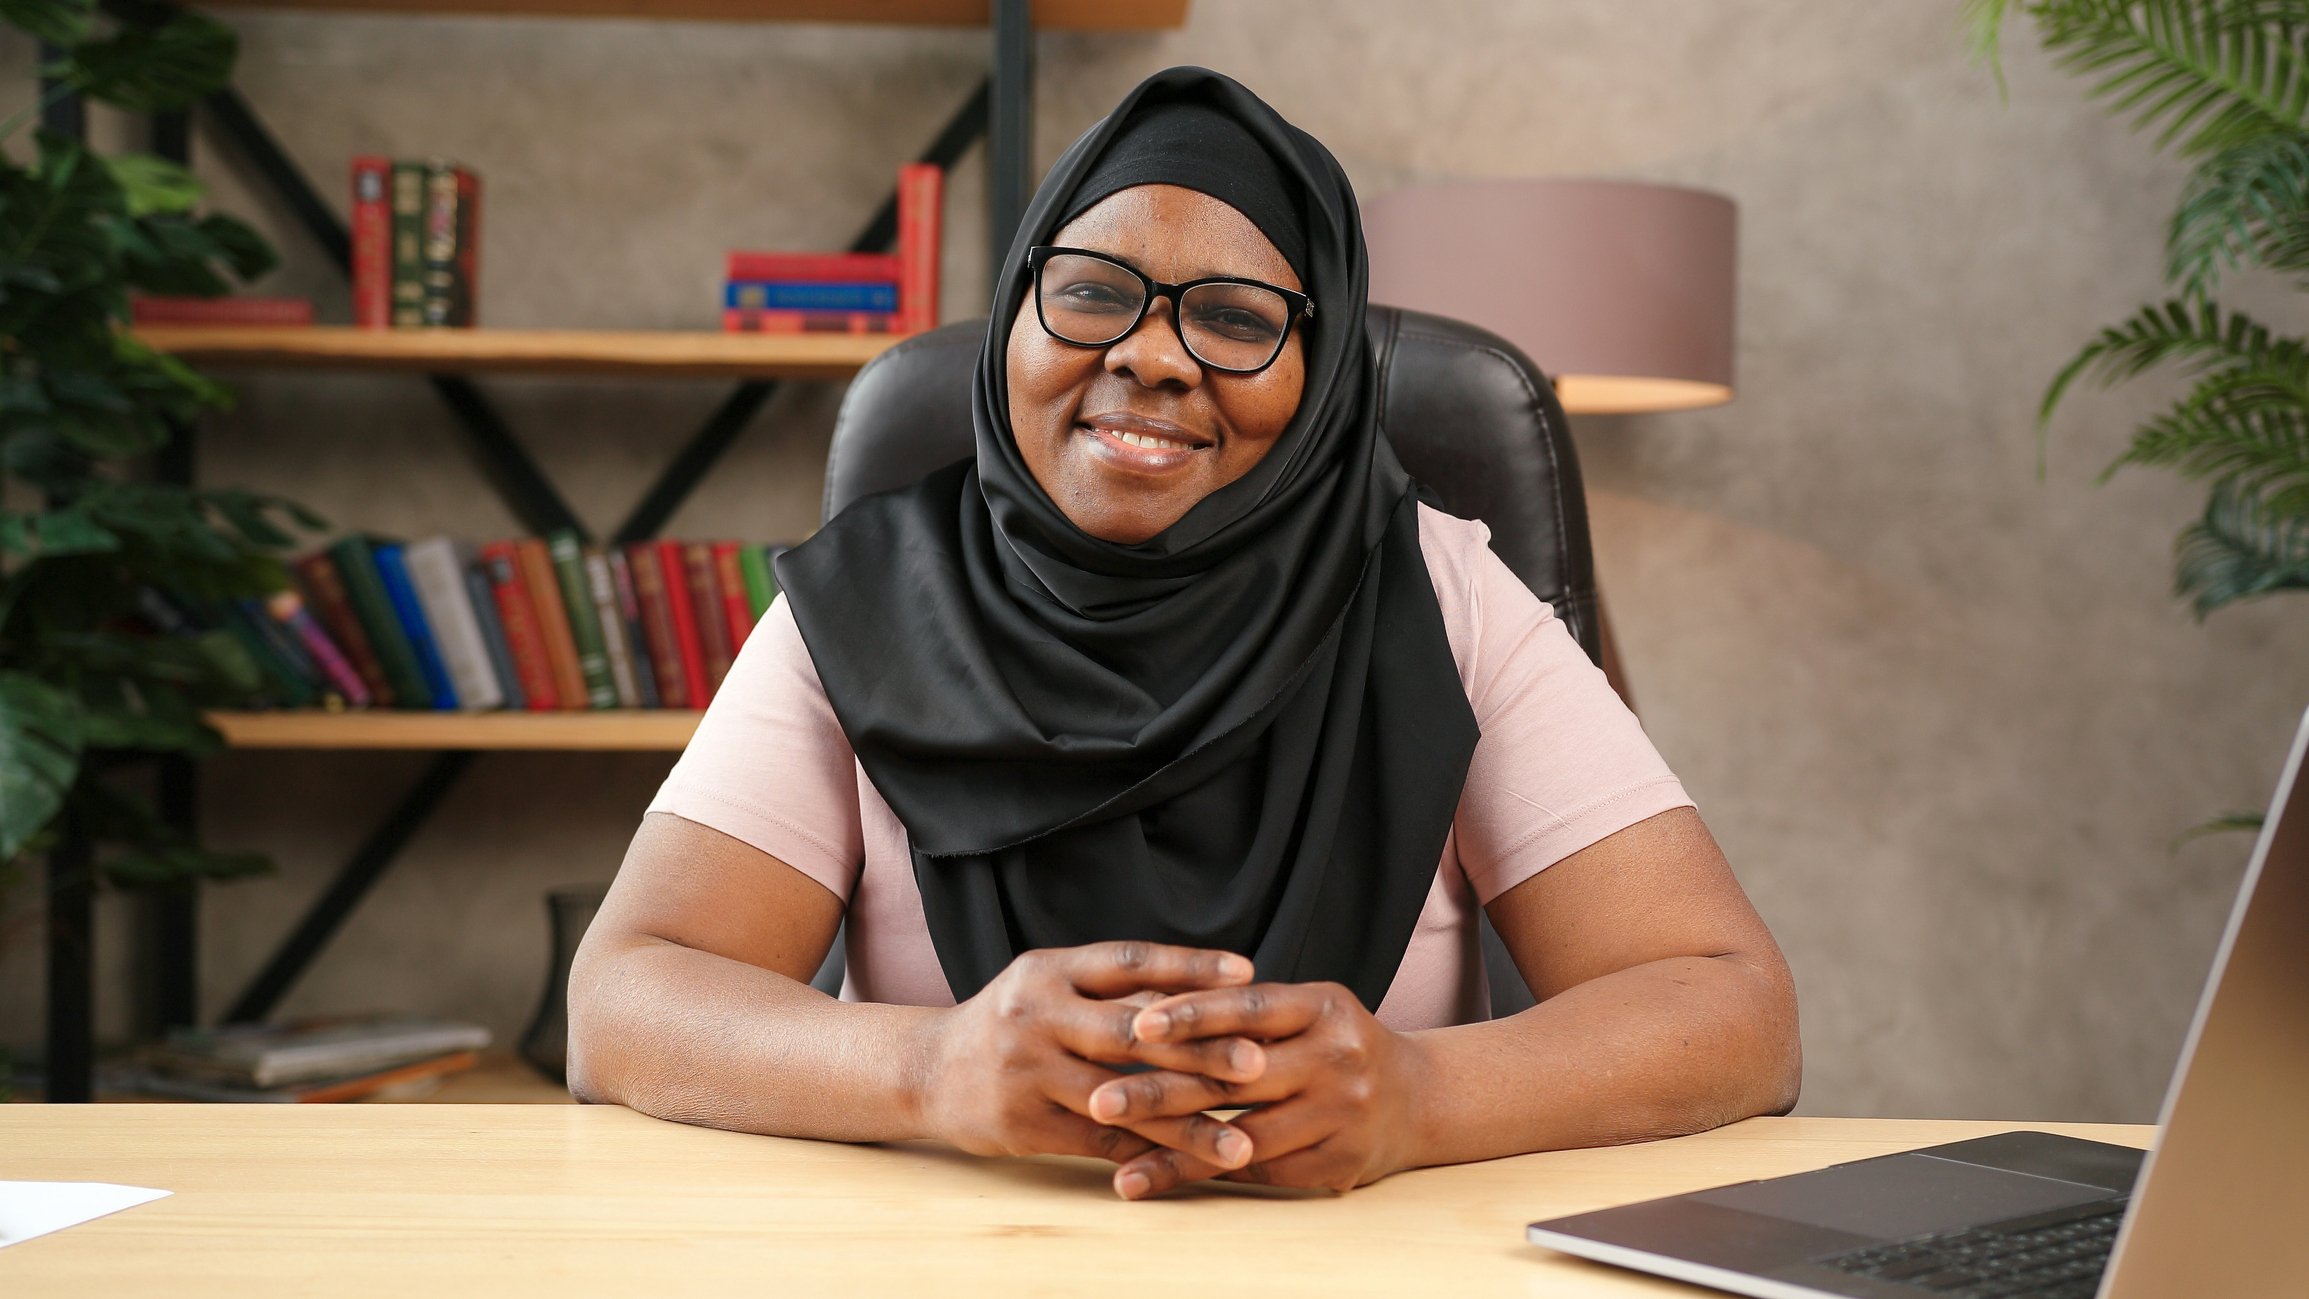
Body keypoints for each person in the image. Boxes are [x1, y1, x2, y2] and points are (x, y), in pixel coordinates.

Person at [568, 66, 1798, 1200]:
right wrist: (927, 1068)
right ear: (1012, 318)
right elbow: (622, 1000)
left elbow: (1736, 1012)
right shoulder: (864, 602)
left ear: (1320, 368)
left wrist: (1423, 1095)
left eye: (1234, 318)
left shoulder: (1442, 593)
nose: (1151, 356)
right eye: (1091, 293)